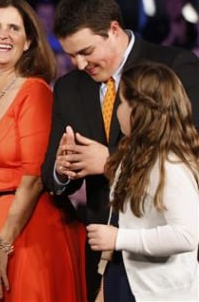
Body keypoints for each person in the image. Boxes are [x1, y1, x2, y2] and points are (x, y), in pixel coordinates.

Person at [41, 0, 199, 302]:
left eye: (86, 51)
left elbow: (188, 152)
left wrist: (111, 161)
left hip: (164, 263)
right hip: (103, 254)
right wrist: (62, 170)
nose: (79, 63)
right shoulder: (70, 87)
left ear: (113, 30)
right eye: (71, 55)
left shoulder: (173, 66)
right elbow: (51, 175)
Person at [0, 0, 86, 302]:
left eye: (14, 28)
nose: (3, 34)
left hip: (30, 229)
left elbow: (33, 178)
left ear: (28, 41)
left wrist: (2, 245)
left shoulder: (35, 93)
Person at [86, 62, 199, 301]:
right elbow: (123, 219)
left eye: (123, 103)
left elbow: (187, 235)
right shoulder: (133, 154)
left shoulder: (170, 163)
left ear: (141, 110)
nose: (118, 110)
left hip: (158, 292)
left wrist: (119, 239)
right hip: (126, 278)